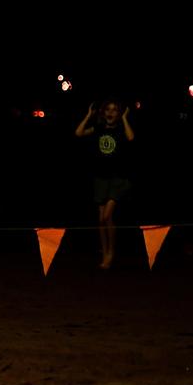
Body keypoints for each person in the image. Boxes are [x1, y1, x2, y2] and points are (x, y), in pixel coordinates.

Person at [75, 98, 135, 269]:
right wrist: (88, 116)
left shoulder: (121, 130)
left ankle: (111, 252)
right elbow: (78, 133)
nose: (110, 112)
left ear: (119, 113)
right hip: (100, 178)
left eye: (114, 110)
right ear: (103, 113)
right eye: (108, 109)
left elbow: (131, 138)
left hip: (118, 179)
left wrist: (124, 118)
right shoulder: (99, 129)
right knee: (100, 220)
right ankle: (105, 249)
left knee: (107, 216)